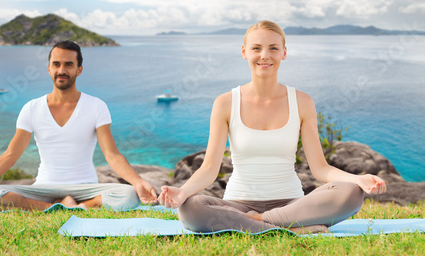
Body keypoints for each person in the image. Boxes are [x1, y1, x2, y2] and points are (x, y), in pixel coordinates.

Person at [158, 21, 386, 234]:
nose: (265, 56)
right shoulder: (226, 102)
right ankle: (289, 228)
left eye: (273, 48)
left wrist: (357, 179)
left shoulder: (303, 102)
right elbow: (208, 168)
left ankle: (259, 224)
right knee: (191, 209)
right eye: (256, 48)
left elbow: (320, 169)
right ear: (244, 52)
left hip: (292, 203)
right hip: (238, 203)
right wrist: (183, 192)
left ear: (284, 53)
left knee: (352, 194)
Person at [0, 40, 157, 211]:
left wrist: (137, 182)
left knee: (129, 194)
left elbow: (112, 155)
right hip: (43, 187)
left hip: (86, 187)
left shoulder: (96, 106)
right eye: (56, 64)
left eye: (68, 64)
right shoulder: (31, 108)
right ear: (49, 69)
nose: (62, 70)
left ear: (79, 69)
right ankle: (58, 206)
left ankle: (74, 205)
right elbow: (10, 156)